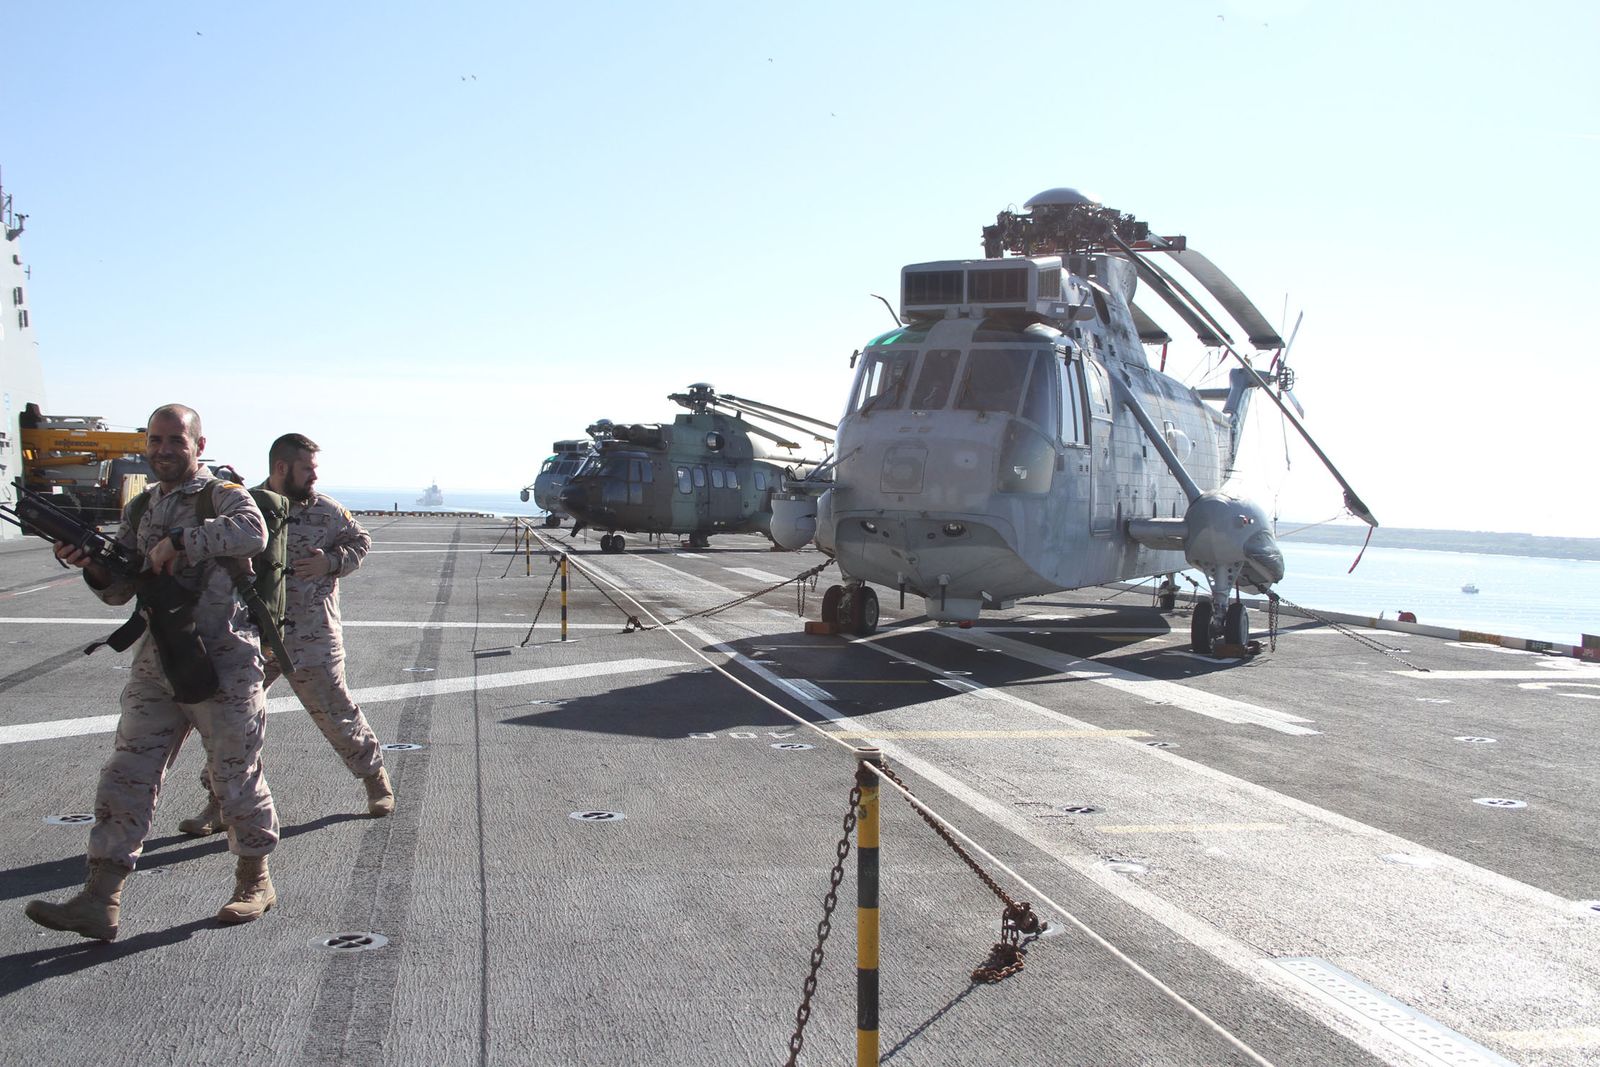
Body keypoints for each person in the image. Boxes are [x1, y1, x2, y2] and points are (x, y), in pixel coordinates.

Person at [26, 404, 279, 940]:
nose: (163, 450)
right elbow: (121, 589)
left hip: (225, 660)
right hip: (158, 660)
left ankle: (254, 880)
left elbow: (251, 532)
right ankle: (100, 899)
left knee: (235, 775)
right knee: (126, 774)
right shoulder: (141, 506)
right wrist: (93, 566)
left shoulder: (222, 495)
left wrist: (181, 541)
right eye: (155, 440)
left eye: (175, 440)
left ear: (198, 444)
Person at [176, 432, 393, 836]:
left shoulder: (328, 511)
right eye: (307, 469)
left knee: (336, 712)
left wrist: (332, 561)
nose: (314, 476)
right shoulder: (246, 506)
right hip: (253, 637)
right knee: (233, 723)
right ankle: (220, 804)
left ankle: (375, 780)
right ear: (281, 468)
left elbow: (360, 542)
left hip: (312, 636)